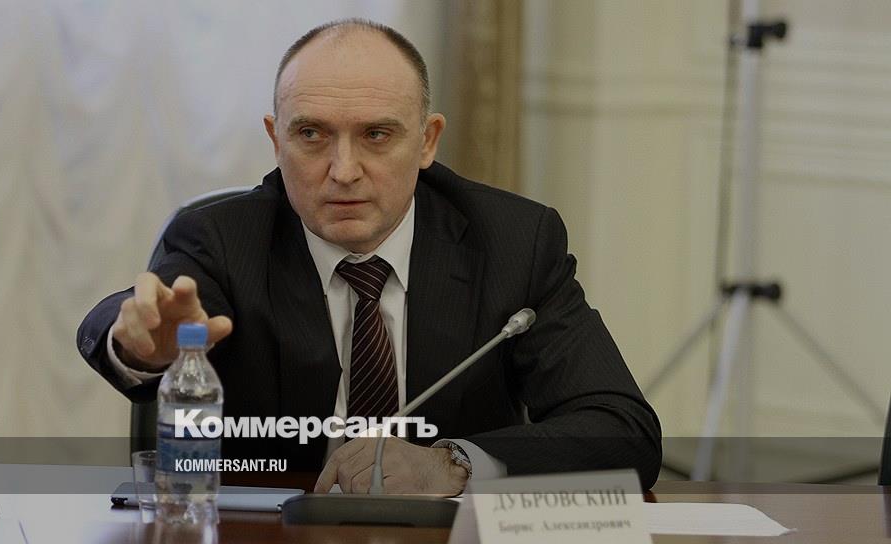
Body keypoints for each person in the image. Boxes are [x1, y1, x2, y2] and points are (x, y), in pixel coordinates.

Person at [77, 18, 661, 495]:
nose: (344, 170)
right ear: (276, 139)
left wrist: (453, 462)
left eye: (376, 135)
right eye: (311, 134)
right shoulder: (223, 239)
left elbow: (622, 431)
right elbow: (146, 311)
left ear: (427, 141)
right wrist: (140, 345)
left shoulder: (513, 241)